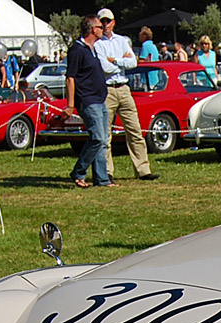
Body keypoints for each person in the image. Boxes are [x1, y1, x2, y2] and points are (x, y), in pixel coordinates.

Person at [95, 8, 158, 182]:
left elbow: (132, 63)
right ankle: (106, 172)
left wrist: (114, 60)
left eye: (108, 21)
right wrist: (121, 62)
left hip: (123, 88)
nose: (106, 25)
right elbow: (103, 68)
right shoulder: (98, 44)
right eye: (103, 22)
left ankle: (143, 170)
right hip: (107, 90)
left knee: (135, 130)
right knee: (105, 134)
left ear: (113, 22)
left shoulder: (122, 40)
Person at [65, 14, 114, 188]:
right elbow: (70, 78)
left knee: (102, 141)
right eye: (101, 27)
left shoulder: (92, 49)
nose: (104, 29)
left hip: (99, 99)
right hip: (87, 100)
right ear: (93, 29)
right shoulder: (77, 50)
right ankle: (78, 172)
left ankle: (102, 179)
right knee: (97, 138)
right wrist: (71, 105)